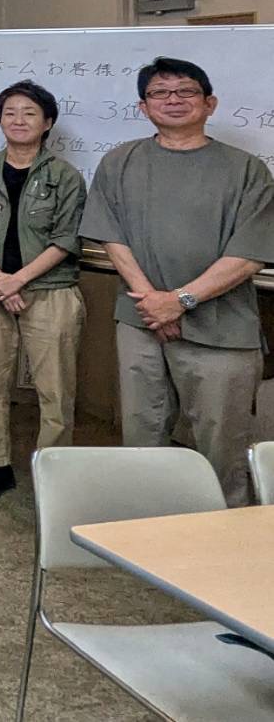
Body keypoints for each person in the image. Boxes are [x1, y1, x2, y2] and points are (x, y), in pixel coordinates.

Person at [80, 57, 274, 507]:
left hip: (222, 330)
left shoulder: (246, 170)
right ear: (143, 106)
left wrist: (180, 301)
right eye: (159, 93)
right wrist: (154, 302)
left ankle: (224, 535)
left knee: (222, 445)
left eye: (185, 91)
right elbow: (112, 238)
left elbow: (248, 255)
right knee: (142, 435)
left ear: (210, 103)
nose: (173, 100)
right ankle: (150, 528)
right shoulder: (120, 162)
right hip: (141, 321)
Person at [0, 80, 87, 500]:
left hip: (50, 291)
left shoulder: (65, 177)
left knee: (55, 389)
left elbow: (67, 238)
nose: (18, 120)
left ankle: (53, 471)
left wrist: (20, 279)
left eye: (29, 113)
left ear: (47, 122)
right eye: (9, 112)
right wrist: (1, 280)